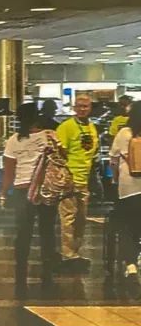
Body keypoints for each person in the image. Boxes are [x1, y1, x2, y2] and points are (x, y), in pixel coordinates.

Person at [0, 103, 58, 299]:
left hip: (22, 192)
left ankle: (21, 280)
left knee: (23, 236)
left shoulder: (14, 140)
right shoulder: (49, 136)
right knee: (47, 234)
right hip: (46, 192)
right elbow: (63, 158)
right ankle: (48, 278)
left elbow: (9, 171)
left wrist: (2, 194)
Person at [56, 93, 99, 272]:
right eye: (79, 106)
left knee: (81, 218)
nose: (82, 109)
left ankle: (75, 251)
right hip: (69, 178)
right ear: (74, 107)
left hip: (84, 179)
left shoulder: (91, 126)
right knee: (68, 217)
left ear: (90, 108)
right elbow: (59, 151)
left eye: (85, 106)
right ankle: (67, 254)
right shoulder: (66, 127)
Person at [110, 100, 141, 281]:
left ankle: (130, 264)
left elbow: (113, 160)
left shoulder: (124, 133)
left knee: (126, 226)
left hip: (128, 188)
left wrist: (114, 179)